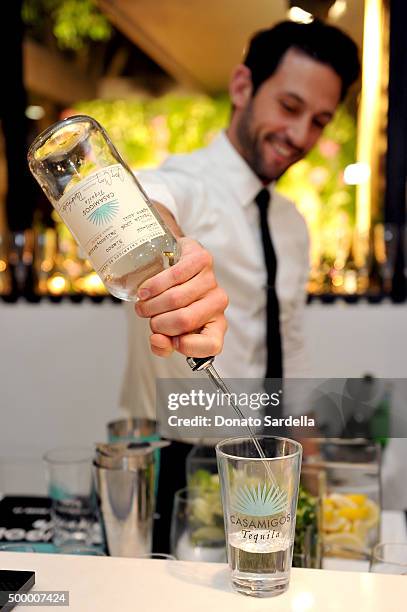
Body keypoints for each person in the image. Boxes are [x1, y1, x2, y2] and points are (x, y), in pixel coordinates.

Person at [121, 20, 360, 552]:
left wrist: (311, 467)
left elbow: (290, 349)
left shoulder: (292, 225)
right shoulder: (188, 181)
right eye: (290, 107)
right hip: (175, 458)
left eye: (319, 121)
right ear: (242, 87)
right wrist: (176, 254)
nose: (300, 136)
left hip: (259, 459)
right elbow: (148, 199)